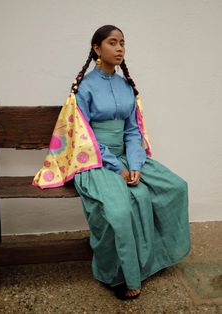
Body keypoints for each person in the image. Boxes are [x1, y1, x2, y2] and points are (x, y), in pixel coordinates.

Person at [34, 24, 191, 301]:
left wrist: (135, 165)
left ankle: (153, 258)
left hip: (125, 157)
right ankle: (116, 274)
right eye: (112, 43)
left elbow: (132, 131)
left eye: (122, 43)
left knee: (176, 187)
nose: (119, 48)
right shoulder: (83, 88)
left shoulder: (126, 86)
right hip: (93, 160)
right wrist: (115, 167)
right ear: (97, 49)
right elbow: (84, 135)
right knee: (118, 211)